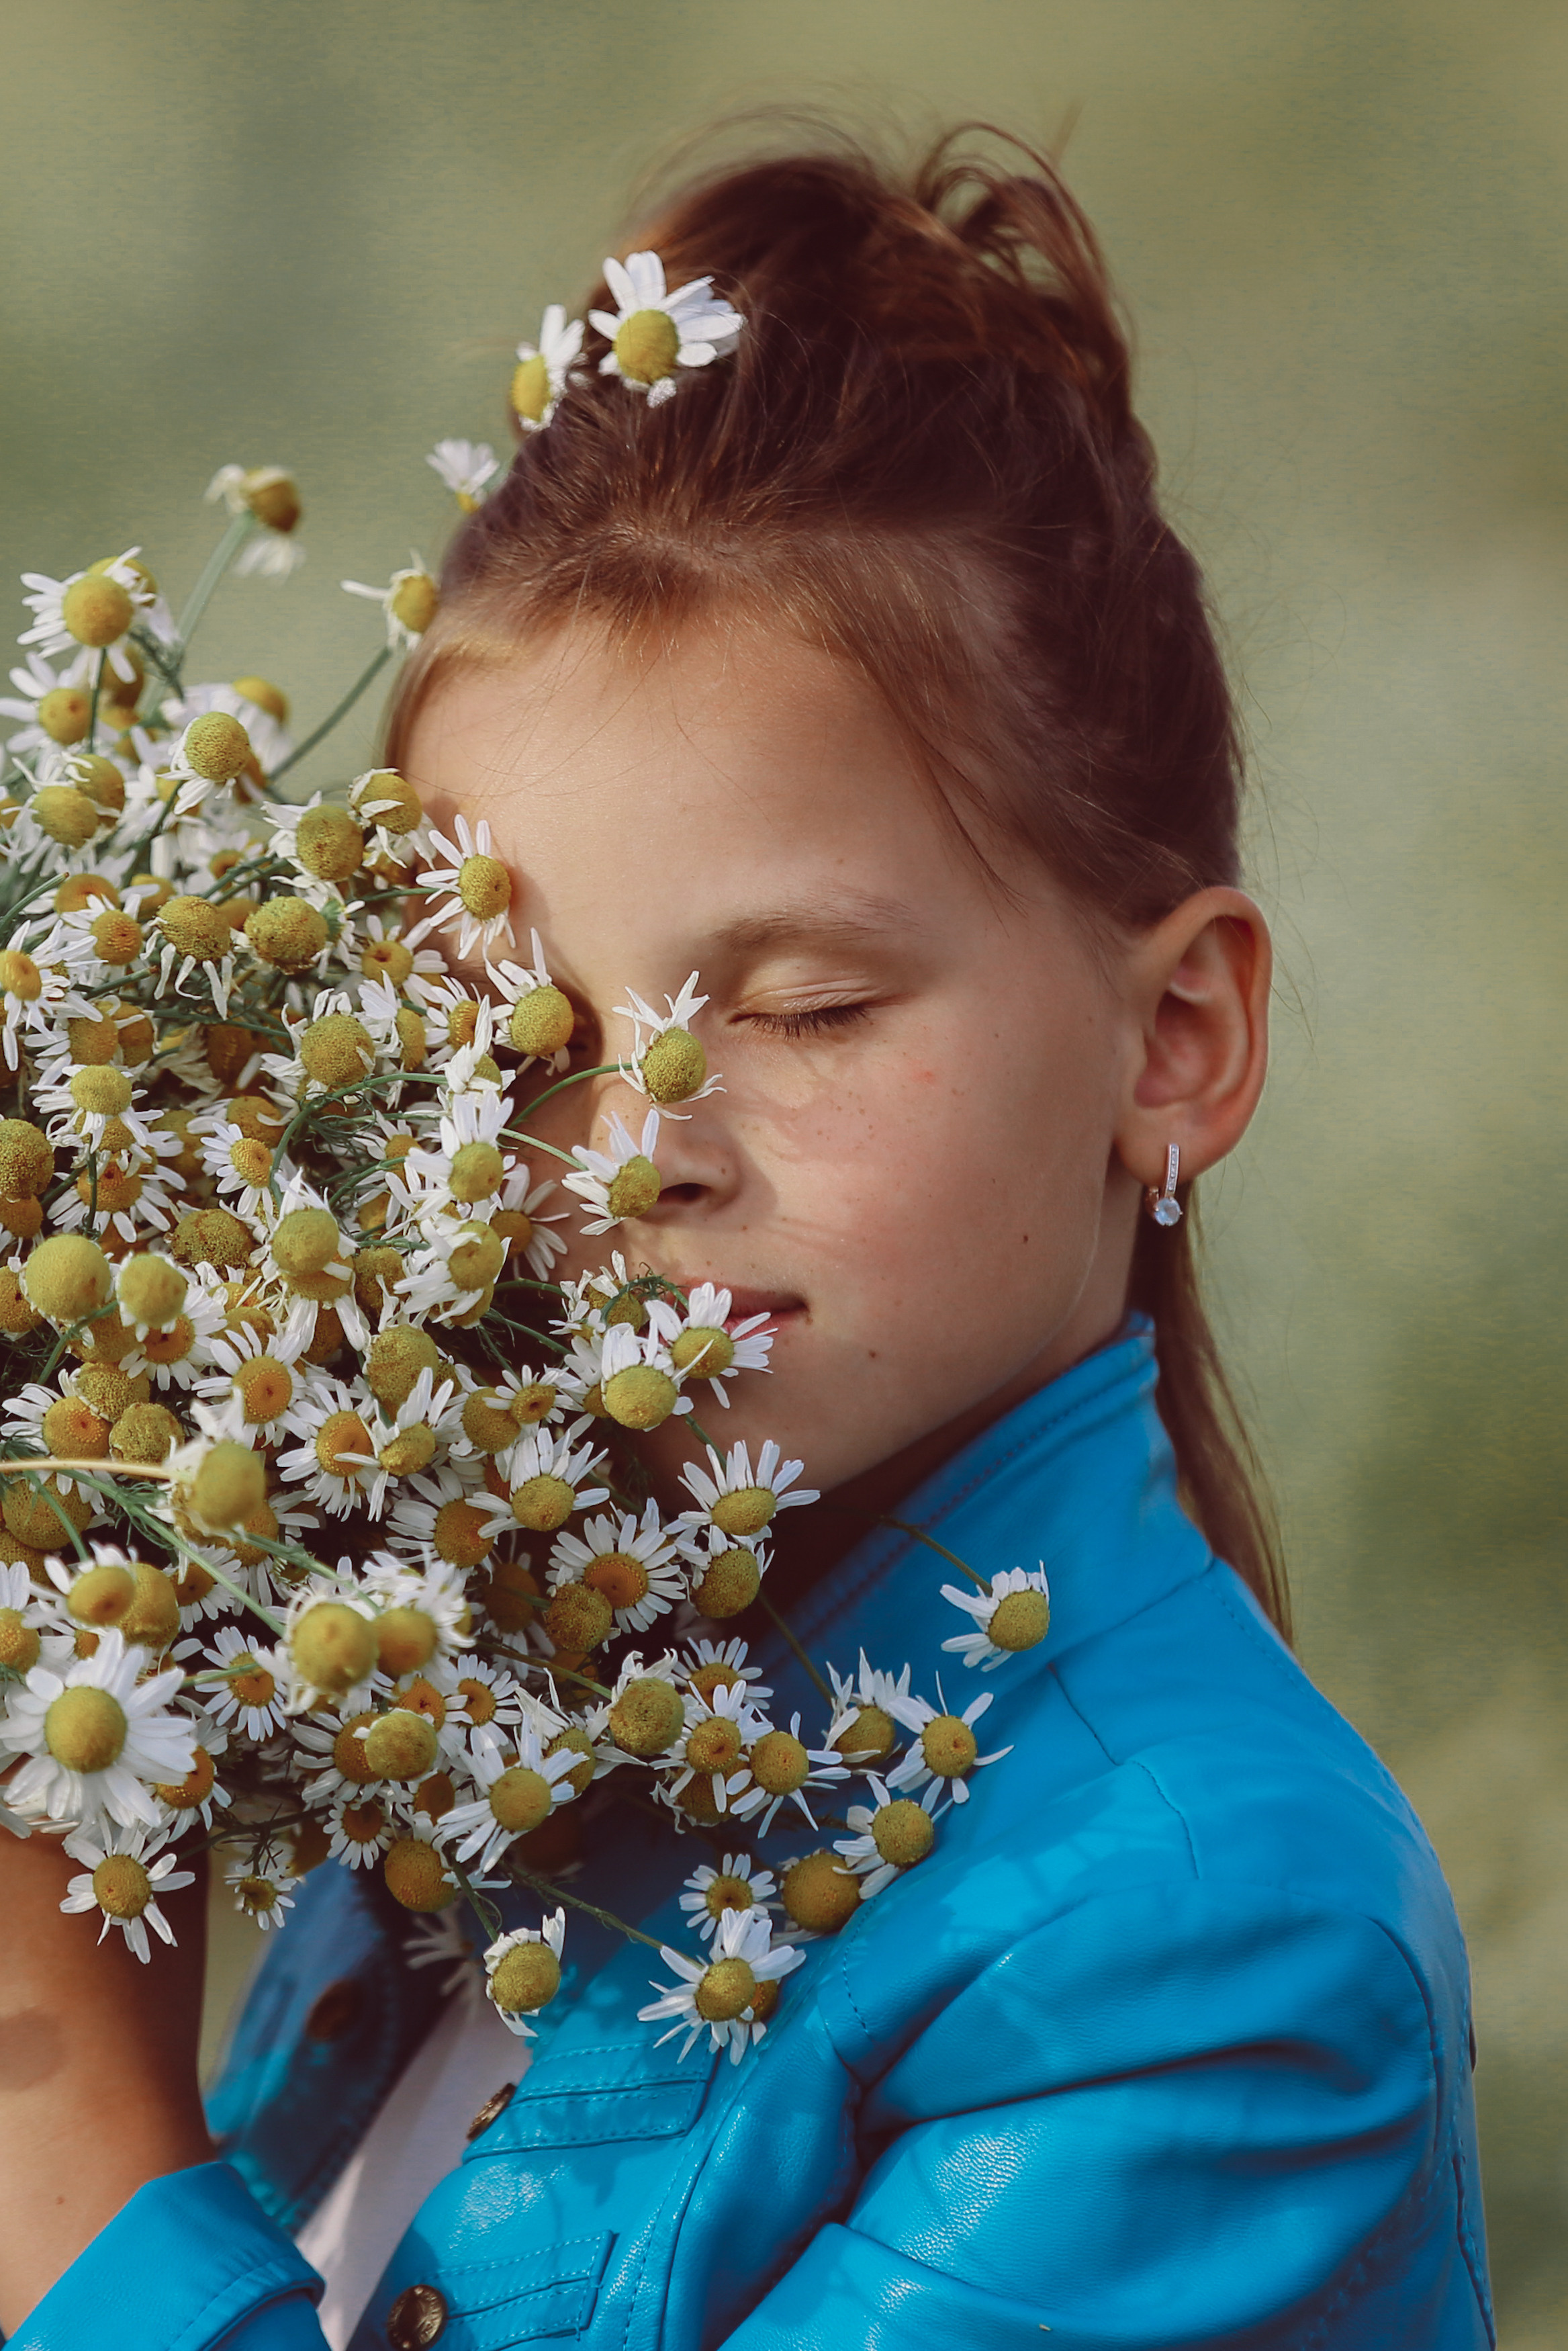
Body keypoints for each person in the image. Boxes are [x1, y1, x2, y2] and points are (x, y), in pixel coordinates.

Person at [1, 128, 1493, 2350]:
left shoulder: (1211, 1949)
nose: (628, 1152)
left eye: (800, 1007)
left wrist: (70, 2130)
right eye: (510, 1045)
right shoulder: (475, 1717)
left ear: (1174, 1035)